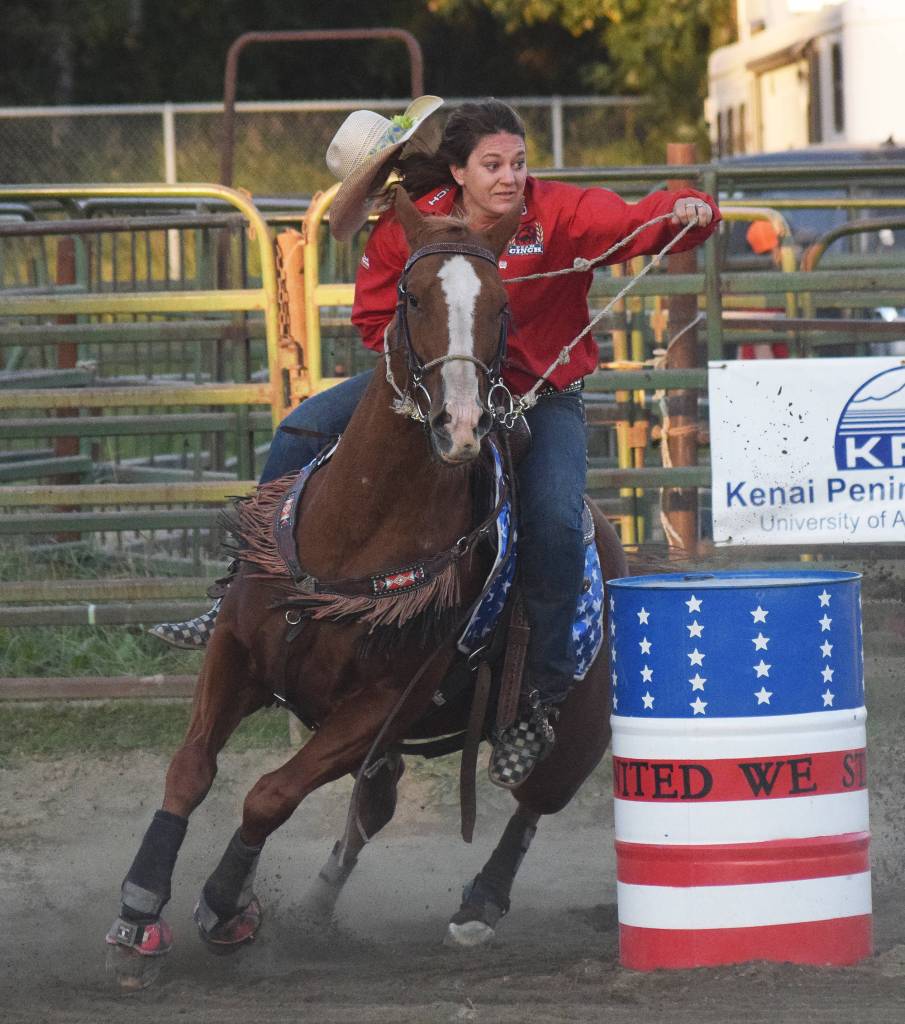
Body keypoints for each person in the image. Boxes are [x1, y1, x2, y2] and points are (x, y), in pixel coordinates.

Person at [153, 96, 720, 786]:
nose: (509, 176)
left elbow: (644, 219)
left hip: (540, 397)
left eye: (517, 162)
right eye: (491, 164)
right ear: (457, 171)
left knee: (552, 518)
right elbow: (371, 319)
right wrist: (427, 378)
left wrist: (692, 210)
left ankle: (536, 699)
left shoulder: (559, 214)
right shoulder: (412, 222)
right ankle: (238, 598)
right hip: (422, 389)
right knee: (297, 430)